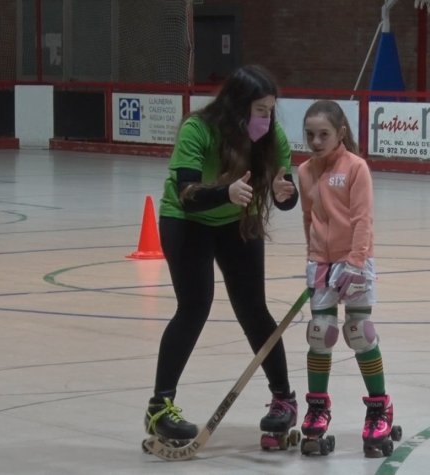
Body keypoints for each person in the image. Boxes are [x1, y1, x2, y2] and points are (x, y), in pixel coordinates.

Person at [144, 65, 300, 447]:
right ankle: (159, 408)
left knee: (253, 309)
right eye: (261, 110)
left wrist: (286, 195)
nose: (268, 118)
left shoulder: (271, 137)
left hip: (236, 221)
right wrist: (225, 192)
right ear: (237, 107)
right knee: (194, 307)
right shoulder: (197, 129)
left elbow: (286, 193)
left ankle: (284, 399)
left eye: (270, 110)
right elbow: (187, 193)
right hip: (186, 219)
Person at [296, 100, 399, 458]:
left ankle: (378, 407)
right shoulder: (305, 171)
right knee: (319, 333)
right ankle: (318, 407)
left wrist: (355, 263)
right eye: (309, 135)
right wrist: (313, 261)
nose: (315, 141)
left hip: (355, 261)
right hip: (322, 263)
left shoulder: (356, 168)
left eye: (323, 134)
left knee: (359, 331)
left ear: (340, 133)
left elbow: (362, 219)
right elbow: (309, 219)